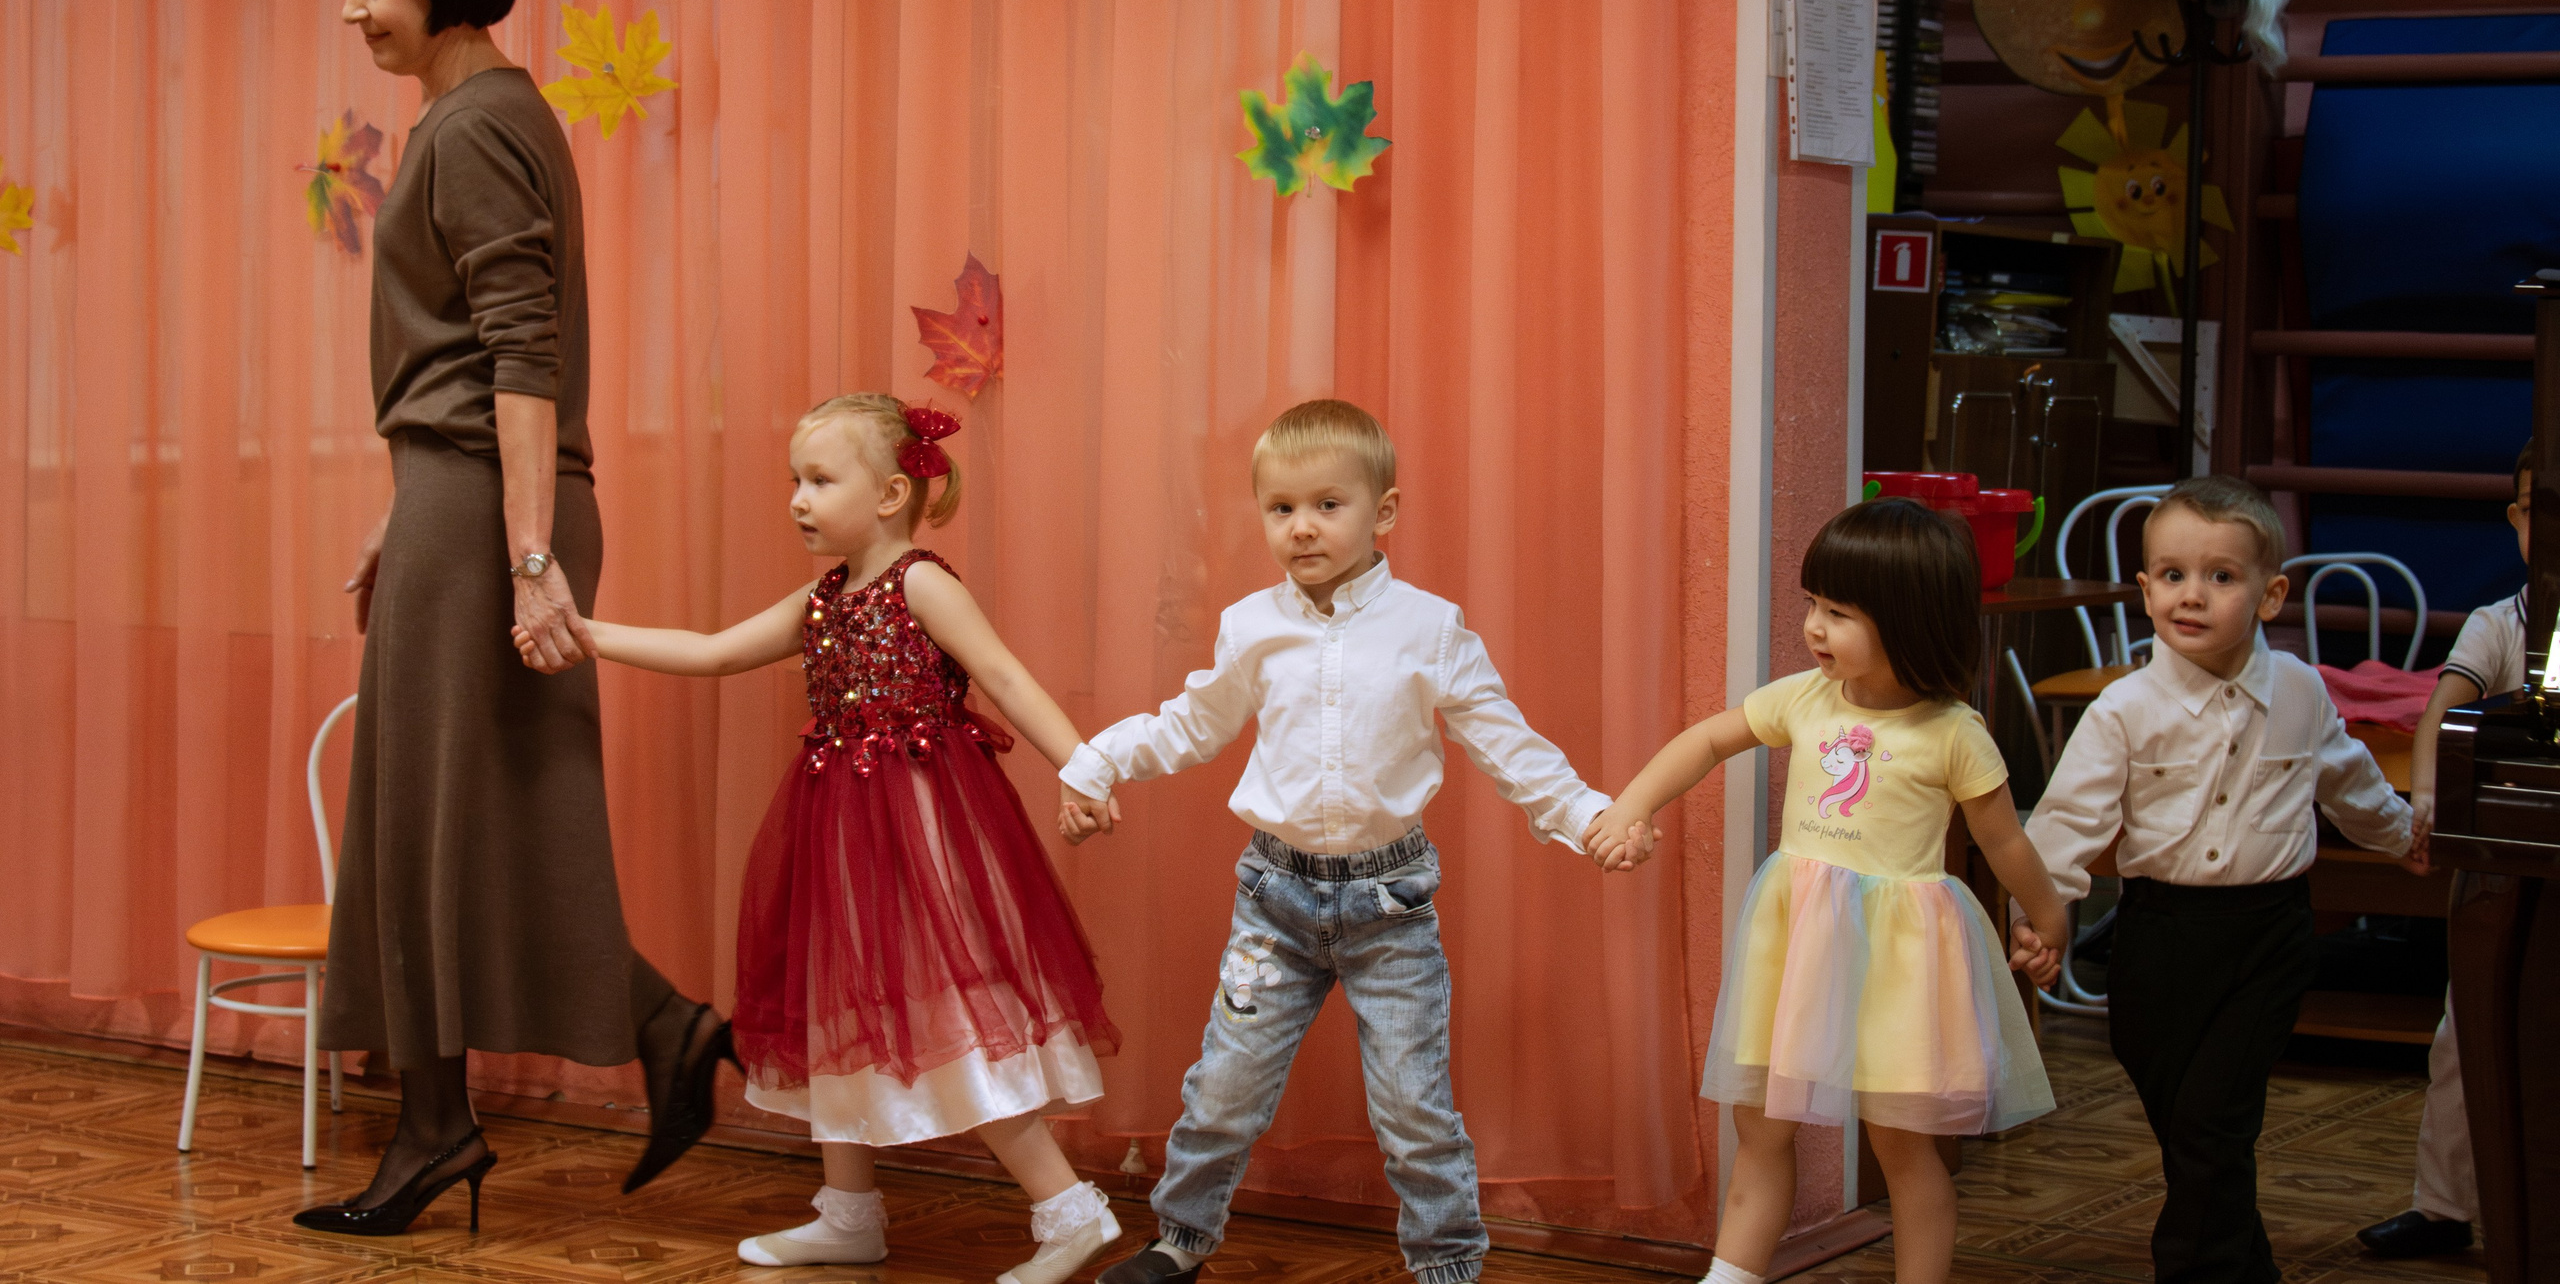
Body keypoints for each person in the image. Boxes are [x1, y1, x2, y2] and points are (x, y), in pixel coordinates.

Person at [300, 0, 728, 1238]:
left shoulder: (474, 125)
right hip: (461, 498)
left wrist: (528, 553)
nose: (353, 11)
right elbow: (471, 368)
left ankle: (487, 1100)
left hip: (491, 509)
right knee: (440, 820)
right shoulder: (482, 114)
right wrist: (408, 504)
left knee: (439, 817)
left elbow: (521, 355)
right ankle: (478, 1102)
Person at [519, 394, 1121, 1283]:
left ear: (887, 494)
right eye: (794, 481)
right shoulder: (822, 599)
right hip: (839, 832)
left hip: (924, 830)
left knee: (951, 1011)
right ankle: (848, 1214)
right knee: (838, 1007)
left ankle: (1070, 1211)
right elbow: (715, 649)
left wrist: (1084, 765)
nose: (798, 498)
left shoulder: (922, 582)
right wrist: (586, 634)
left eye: (819, 480)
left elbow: (1002, 674)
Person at [1060, 399, 1619, 1284]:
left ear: (1383, 512)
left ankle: (1446, 1265)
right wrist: (1097, 761)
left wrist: (1588, 813)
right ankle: (1180, 1242)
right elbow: (1192, 723)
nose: (1303, 527)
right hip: (1273, 901)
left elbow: (1502, 737)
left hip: (1388, 905)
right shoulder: (1252, 625)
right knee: (1224, 1089)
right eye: (1281, 508)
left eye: (1328, 504)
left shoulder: (1428, 627)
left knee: (1414, 1107)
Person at [1586, 497, 2065, 1284]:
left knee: (1902, 1147)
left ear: (1908, 622)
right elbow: (1709, 737)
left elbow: (2003, 840)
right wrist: (1632, 802)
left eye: (1838, 612)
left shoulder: (1952, 732)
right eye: (1814, 603)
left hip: (1904, 962)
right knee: (1763, 1128)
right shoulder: (1805, 699)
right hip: (1797, 949)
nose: (1813, 626)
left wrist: (2046, 916)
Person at [2018, 474, 2419, 1284]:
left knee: (2212, 1125)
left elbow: (2349, 779)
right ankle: (2250, 1269)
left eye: (2220, 576)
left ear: (2270, 594)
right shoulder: (2124, 707)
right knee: (2196, 1134)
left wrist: (2407, 837)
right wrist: (2042, 914)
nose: (2191, 595)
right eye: (2171, 575)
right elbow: (2066, 821)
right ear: (2145, 588)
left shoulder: (2303, 691)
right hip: (2156, 938)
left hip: (2266, 935)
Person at [2355, 446, 2526, 1260]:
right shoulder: (2505, 620)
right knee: (2465, 1033)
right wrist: (2424, 796)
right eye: (2535, 511)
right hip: (2510, 859)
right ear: (2518, 520)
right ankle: (2444, 1205)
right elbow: (2440, 713)